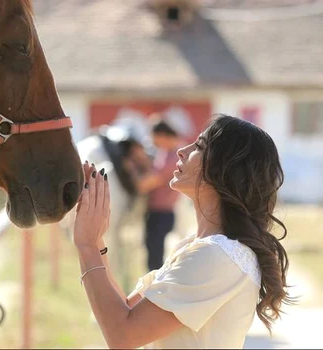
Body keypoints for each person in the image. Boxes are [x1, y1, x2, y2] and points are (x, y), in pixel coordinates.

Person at [73, 114, 294, 349]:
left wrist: (86, 245)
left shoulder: (216, 256)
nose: (182, 150)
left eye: (198, 146)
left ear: (224, 168)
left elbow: (123, 335)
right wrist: (96, 241)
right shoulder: (199, 248)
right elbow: (126, 310)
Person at [124, 114, 185, 271]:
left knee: (155, 261)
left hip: (161, 214)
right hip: (159, 212)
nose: (152, 142)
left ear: (162, 136)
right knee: (154, 256)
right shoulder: (167, 152)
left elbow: (144, 185)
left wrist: (130, 168)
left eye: (154, 137)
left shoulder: (173, 158)